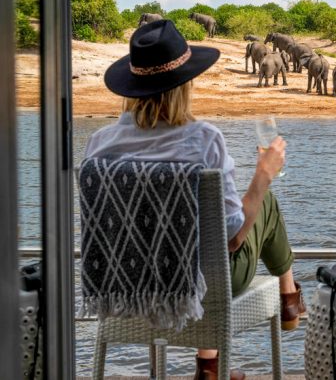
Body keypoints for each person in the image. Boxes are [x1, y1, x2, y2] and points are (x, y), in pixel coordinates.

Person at [86, 20, 304, 380]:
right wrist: (263, 175)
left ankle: (212, 364)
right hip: (197, 289)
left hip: (123, 286)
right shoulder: (204, 140)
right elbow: (233, 239)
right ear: (184, 85)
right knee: (263, 201)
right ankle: (289, 298)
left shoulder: (99, 145)